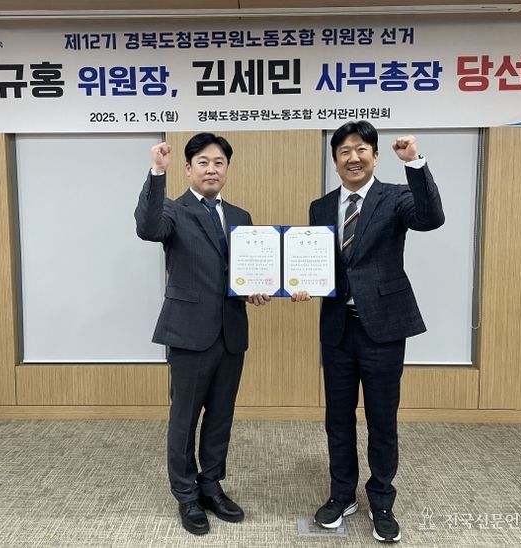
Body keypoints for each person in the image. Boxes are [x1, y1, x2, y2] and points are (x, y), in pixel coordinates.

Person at [292, 121, 444, 543]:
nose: (353, 157)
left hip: (384, 328)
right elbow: (318, 262)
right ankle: (342, 494)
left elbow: (431, 218)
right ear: (335, 161)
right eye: (344, 151)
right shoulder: (321, 206)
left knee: (382, 419)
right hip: (337, 329)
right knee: (337, 418)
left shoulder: (396, 197)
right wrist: (300, 282)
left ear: (375, 156)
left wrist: (415, 163)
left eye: (361, 149)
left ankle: (381, 500)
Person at [134, 133, 270, 536]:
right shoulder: (173, 210)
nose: (212, 169)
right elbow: (147, 227)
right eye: (203, 162)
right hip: (188, 332)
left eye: (219, 162)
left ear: (227, 169)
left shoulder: (242, 217)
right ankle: (186, 494)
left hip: (231, 333)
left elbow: (245, 272)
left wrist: (257, 288)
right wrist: (157, 172)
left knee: (220, 417)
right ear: (189, 168)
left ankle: (211, 485)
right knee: (184, 419)